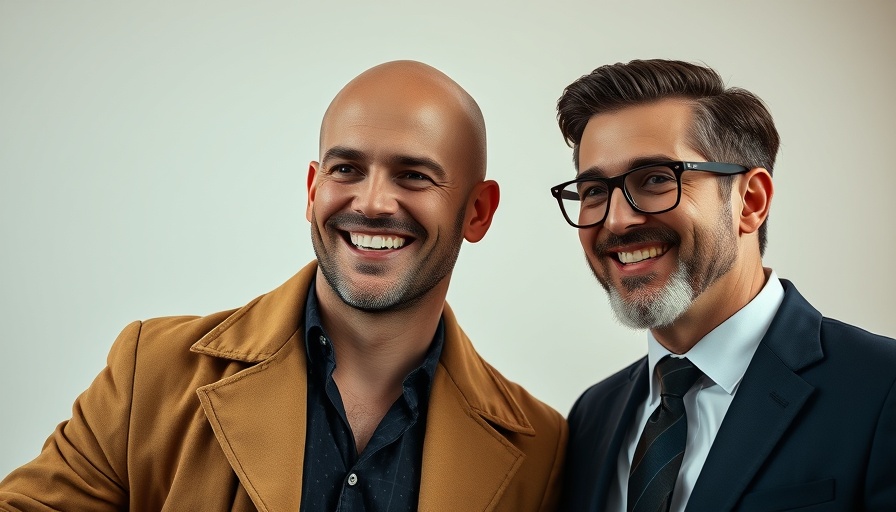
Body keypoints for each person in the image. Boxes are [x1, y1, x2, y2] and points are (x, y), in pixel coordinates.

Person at [0, 60, 566, 511]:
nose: (370, 203)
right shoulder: (150, 371)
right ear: (312, 189)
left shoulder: (543, 449)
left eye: (413, 175)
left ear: (478, 212)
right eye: (346, 170)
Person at [551, 59, 896, 511]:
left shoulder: (881, 389)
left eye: (656, 179)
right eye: (595, 190)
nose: (617, 220)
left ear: (750, 202)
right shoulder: (592, 416)